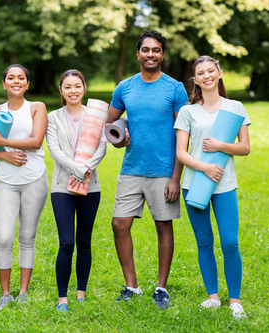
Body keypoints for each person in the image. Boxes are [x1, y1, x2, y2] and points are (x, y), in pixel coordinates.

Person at [105, 30, 188, 308]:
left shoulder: (175, 88)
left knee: (163, 226)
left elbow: (182, 133)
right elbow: (109, 125)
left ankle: (161, 288)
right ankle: (132, 286)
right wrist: (119, 138)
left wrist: (176, 177)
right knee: (119, 224)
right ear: (138, 53)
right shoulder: (124, 87)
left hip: (164, 170)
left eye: (156, 50)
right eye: (146, 50)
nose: (150, 54)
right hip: (131, 168)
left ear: (163, 54)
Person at [174, 55, 250, 319]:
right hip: (194, 185)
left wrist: (220, 147)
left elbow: (245, 148)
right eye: (200, 73)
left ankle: (235, 300)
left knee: (230, 242)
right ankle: (213, 298)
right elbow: (181, 153)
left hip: (225, 185)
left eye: (210, 71)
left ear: (219, 74)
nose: (206, 76)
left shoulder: (235, 107)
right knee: (204, 242)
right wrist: (204, 167)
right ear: (195, 80)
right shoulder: (187, 111)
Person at [0, 64, 48, 311]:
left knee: (27, 237)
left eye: (21, 78)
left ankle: (24, 292)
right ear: (4, 84)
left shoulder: (37, 108)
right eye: (10, 78)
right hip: (5, 181)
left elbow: (36, 141)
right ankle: (5, 294)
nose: (16, 81)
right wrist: (5, 155)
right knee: (4, 238)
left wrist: (3, 143)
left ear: (27, 84)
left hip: (34, 179)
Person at [46, 70, 107, 312]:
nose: (73, 91)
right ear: (61, 90)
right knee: (66, 243)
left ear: (84, 88)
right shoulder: (53, 117)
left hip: (91, 186)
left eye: (77, 86)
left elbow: (102, 146)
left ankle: (81, 291)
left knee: (84, 241)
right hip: (62, 186)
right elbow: (53, 149)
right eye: (68, 87)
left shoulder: (95, 116)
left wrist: (87, 167)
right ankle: (62, 297)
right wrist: (76, 168)